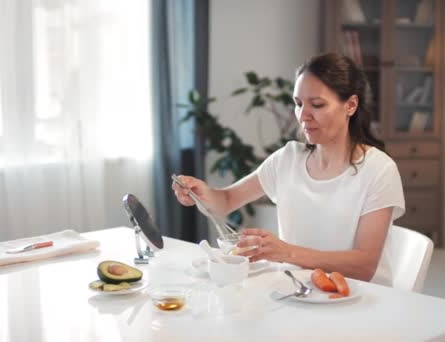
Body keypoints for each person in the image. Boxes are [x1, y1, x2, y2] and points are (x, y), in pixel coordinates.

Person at [172, 53, 404, 284]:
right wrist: (201, 194)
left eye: (317, 104)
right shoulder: (287, 159)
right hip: (299, 291)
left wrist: (286, 252)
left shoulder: (379, 169)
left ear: (351, 105)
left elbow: (364, 266)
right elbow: (227, 199)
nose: (303, 115)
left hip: (362, 301)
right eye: (298, 103)